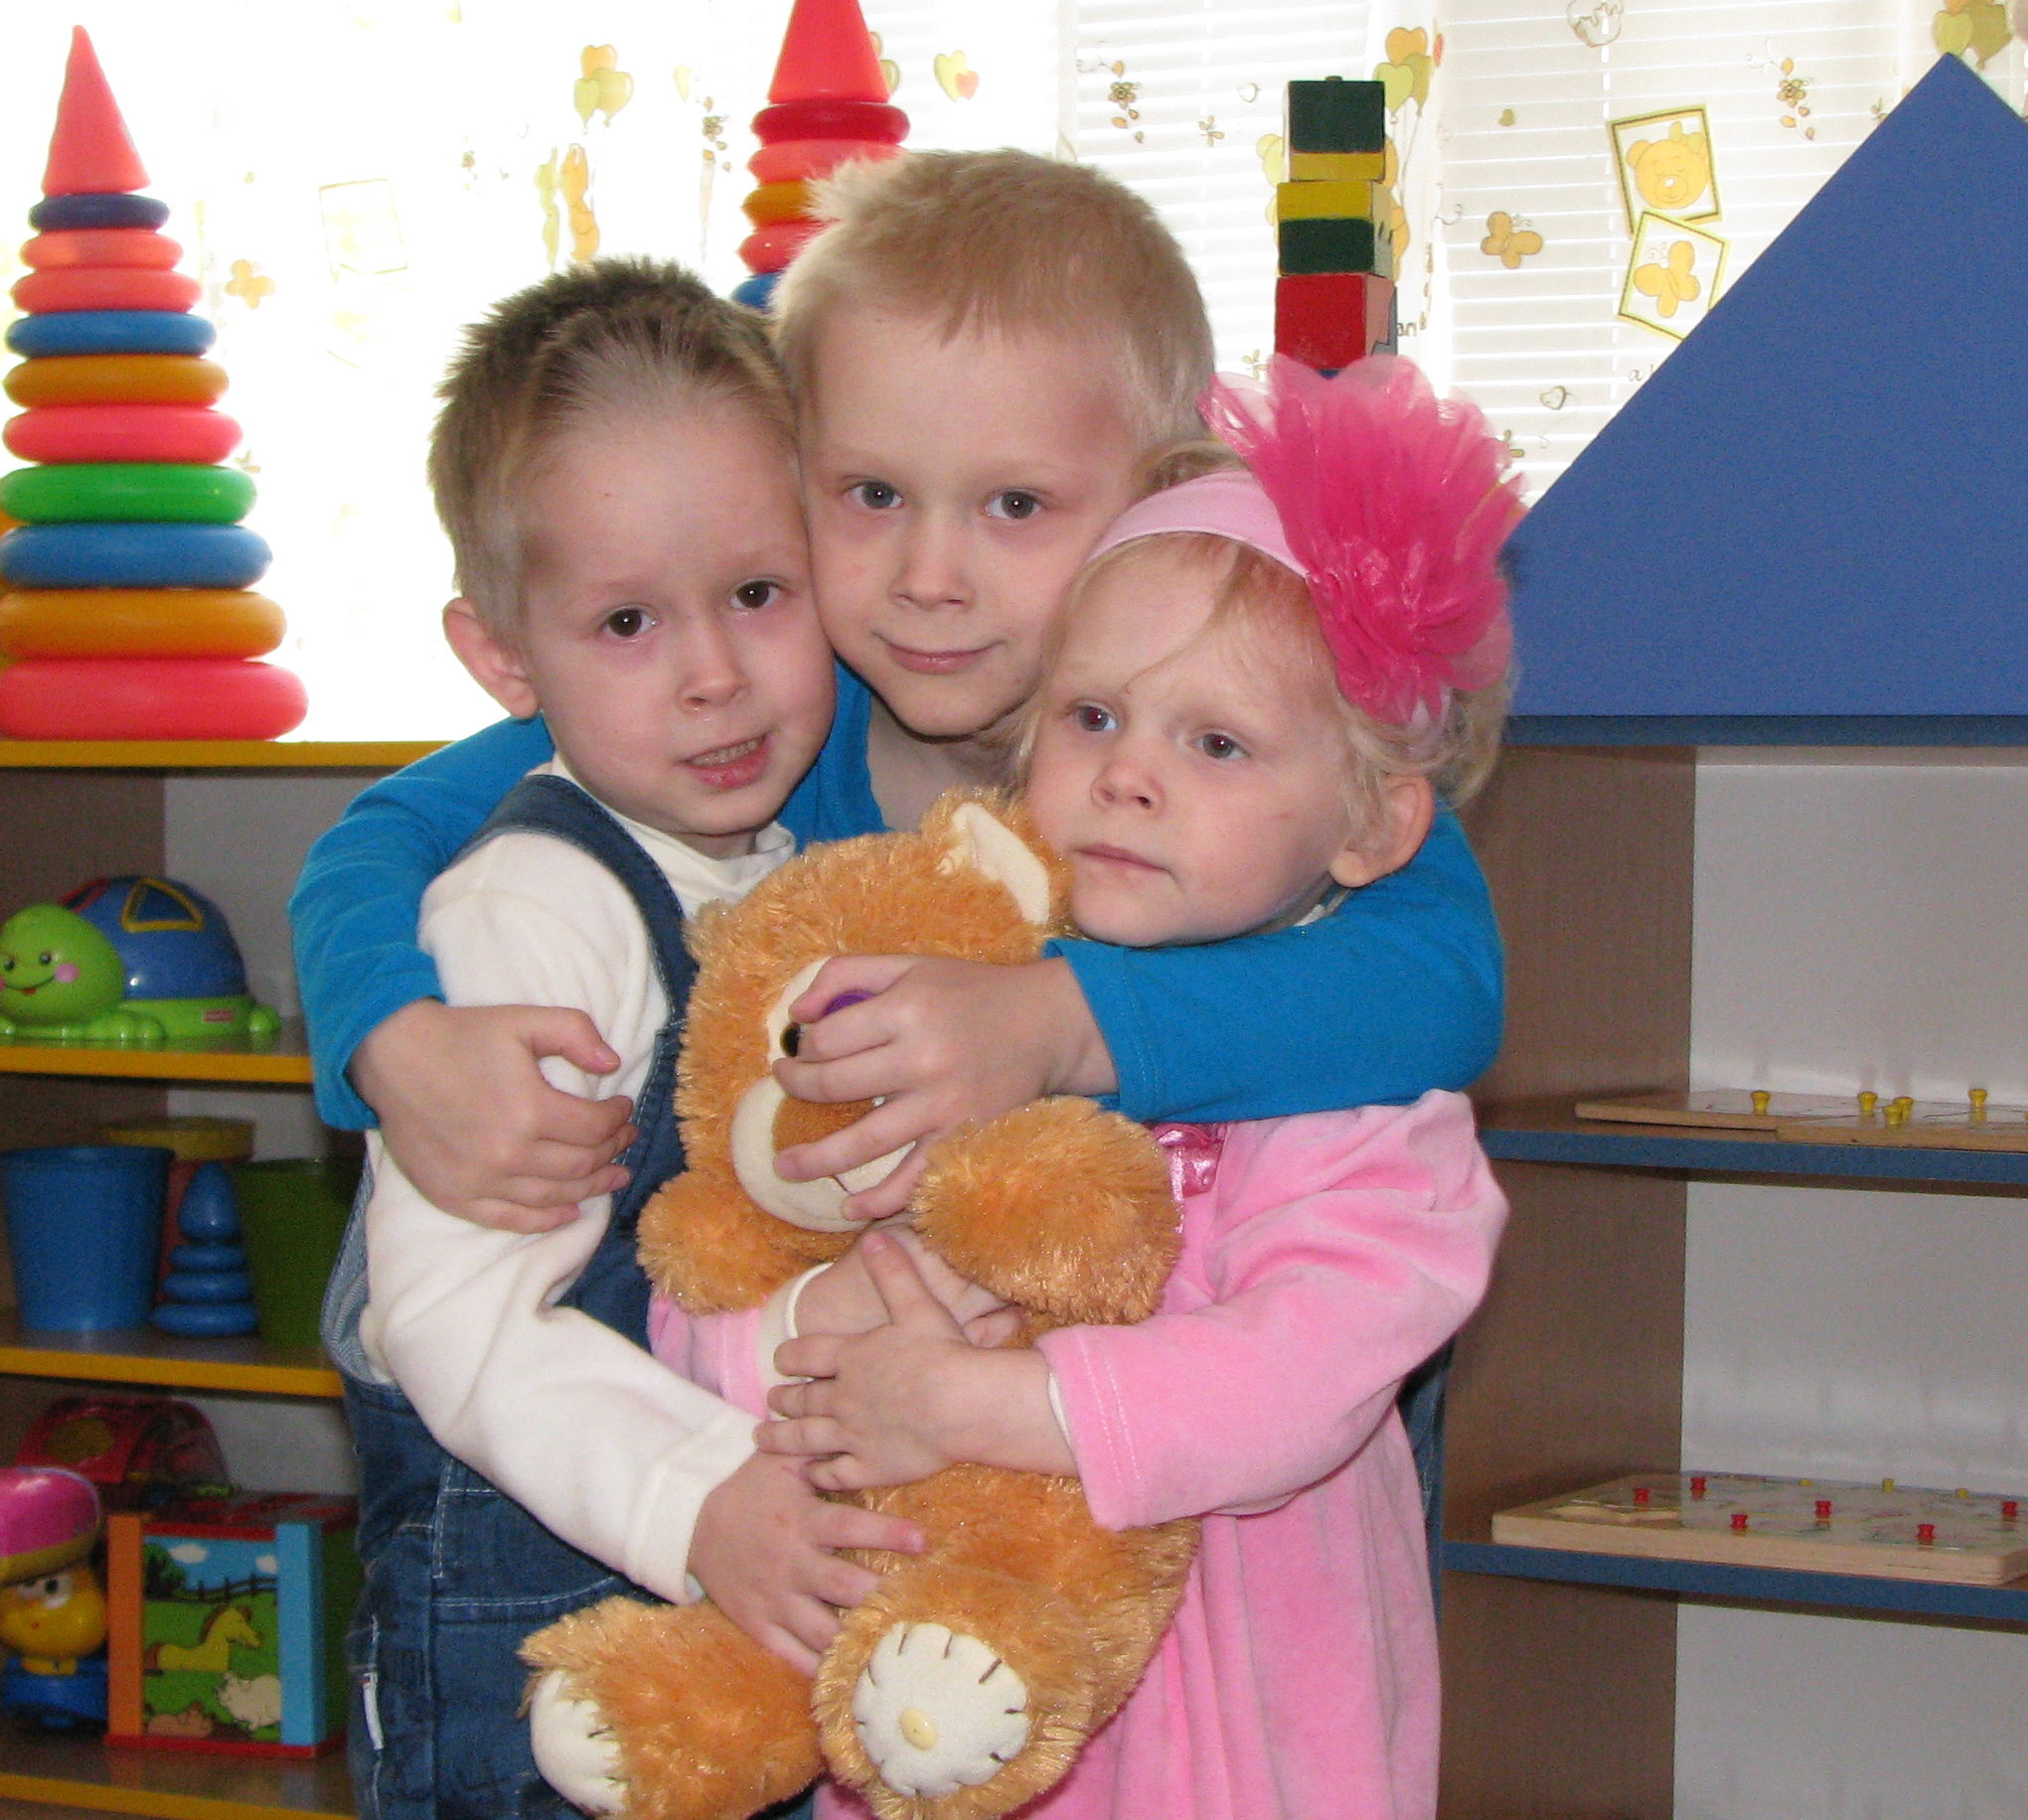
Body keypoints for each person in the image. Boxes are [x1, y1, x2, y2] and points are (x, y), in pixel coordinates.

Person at [286, 151, 1506, 1255]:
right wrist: (392, 1041)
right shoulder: (762, 720)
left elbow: (1441, 980)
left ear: (1162, 490)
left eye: (1014, 505)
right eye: (871, 494)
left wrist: (1063, 1021)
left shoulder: (1236, 750)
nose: (927, 579)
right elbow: (384, 835)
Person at [701, 358, 1520, 1820]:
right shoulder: (960, 1009)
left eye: (1217, 742)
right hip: (931, 1706)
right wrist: (813, 1329)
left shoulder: (1366, 1115)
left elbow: (1293, 1387)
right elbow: (728, 1251)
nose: (1130, 776)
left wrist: (973, 1403)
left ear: (1370, 824)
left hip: (1243, 1754)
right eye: (1092, 718)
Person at [332, 260, 1002, 1819]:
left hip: (740, 1629)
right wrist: (697, 1498)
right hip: (535, 1654)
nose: (714, 674)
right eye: (628, 620)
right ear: (503, 657)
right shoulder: (534, 910)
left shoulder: (778, 870)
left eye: (758, 594)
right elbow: (451, 1320)